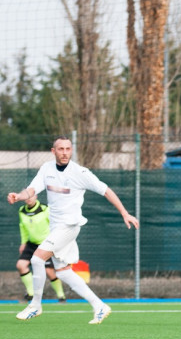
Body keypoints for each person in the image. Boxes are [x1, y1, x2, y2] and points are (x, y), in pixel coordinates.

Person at [7, 135, 139, 324]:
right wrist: (19, 196)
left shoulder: (80, 173)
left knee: (36, 259)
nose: (65, 153)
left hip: (69, 227)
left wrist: (125, 214)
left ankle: (35, 305)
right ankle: (99, 305)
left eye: (68, 149)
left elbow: (106, 190)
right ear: (53, 151)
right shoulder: (46, 168)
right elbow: (32, 189)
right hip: (56, 228)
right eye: (61, 149)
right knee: (63, 272)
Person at [17, 194, 67, 302]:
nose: (28, 198)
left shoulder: (45, 209)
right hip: (31, 244)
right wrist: (23, 243)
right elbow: (23, 227)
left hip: (46, 244)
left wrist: (55, 242)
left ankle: (61, 296)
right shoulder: (22, 211)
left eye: (31, 195)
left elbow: (55, 225)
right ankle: (31, 293)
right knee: (21, 265)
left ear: (36, 197)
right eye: (26, 196)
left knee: (49, 271)